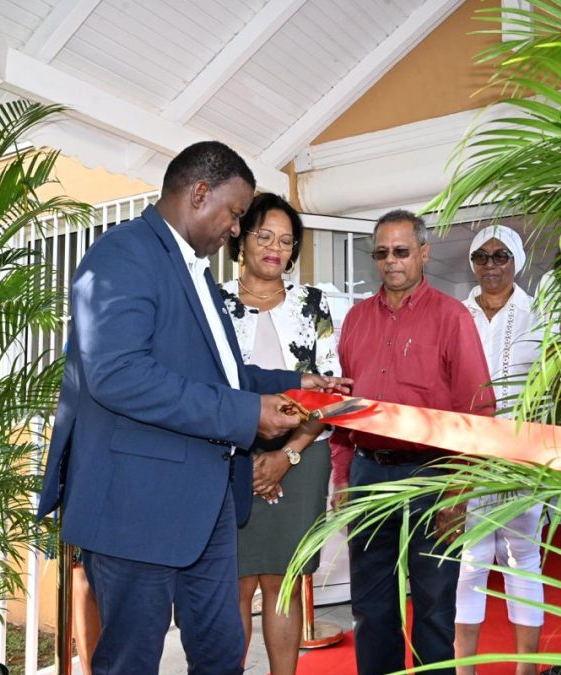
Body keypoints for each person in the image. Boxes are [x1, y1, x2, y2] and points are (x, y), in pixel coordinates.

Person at [36, 141, 347, 675]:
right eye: (233, 213)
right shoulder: (123, 254)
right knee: (132, 659)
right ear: (199, 193)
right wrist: (247, 414)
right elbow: (118, 374)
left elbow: (219, 374)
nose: (234, 229)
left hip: (206, 504)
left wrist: (294, 382)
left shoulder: (194, 271)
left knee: (223, 653)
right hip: (136, 506)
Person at [330, 209, 496, 675]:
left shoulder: (452, 317)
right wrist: (342, 478)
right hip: (367, 473)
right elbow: (343, 409)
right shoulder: (356, 320)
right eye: (381, 253)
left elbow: (478, 411)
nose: (391, 262)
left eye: (401, 252)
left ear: (423, 254)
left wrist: (459, 491)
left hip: (433, 475)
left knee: (435, 605)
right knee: (370, 605)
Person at [219, 192, 340, 675]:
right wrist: (250, 456)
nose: (275, 248)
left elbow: (330, 392)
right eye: (264, 236)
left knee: (284, 582)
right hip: (231, 459)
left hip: (303, 457)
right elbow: (208, 387)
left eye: (287, 241)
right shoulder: (214, 302)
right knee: (236, 583)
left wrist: (286, 454)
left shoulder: (314, 303)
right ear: (241, 239)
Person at [453, 225, 545, 675]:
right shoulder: (455, 315)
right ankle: (463, 670)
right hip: (468, 451)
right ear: (472, 263)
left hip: (523, 453)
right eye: (482, 257)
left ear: (518, 261)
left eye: (501, 256)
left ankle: (526, 670)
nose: (492, 266)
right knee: (471, 559)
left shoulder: (539, 314)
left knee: (523, 560)